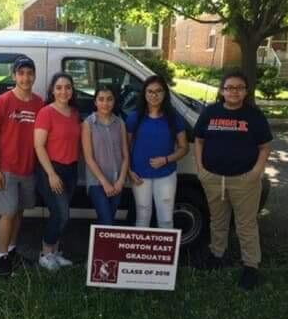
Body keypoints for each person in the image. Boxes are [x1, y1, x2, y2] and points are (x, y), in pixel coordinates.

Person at [193, 69, 273, 290]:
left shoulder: (254, 116)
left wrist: (256, 173)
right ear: (222, 91)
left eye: (239, 88)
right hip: (213, 178)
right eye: (229, 88)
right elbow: (198, 140)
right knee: (217, 220)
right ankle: (217, 255)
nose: (234, 92)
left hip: (244, 180)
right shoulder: (210, 112)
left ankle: (251, 266)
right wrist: (201, 168)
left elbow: (265, 147)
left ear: (246, 91)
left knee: (246, 224)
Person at [0, 57, 44, 276]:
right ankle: (1, 259)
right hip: (7, 169)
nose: (25, 78)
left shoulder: (39, 104)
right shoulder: (2, 101)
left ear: (34, 76)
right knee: (8, 213)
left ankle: (12, 251)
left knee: (19, 212)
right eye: (21, 73)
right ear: (14, 76)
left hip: (28, 169)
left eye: (29, 73)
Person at [125, 74, 189, 230]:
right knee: (142, 216)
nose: (154, 95)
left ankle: (166, 246)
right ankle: (142, 246)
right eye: (150, 91)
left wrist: (166, 159)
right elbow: (125, 148)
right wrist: (129, 171)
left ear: (165, 93)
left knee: (166, 219)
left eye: (158, 91)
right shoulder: (134, 117)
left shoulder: (174, 118)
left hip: (166, 175)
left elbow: (184, 148)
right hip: (139, 175)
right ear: (144, 93)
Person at [34, 73, 82, 271]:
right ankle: (45, 254)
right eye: (59, 87)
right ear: (52, 91)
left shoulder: (75, 113)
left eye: (68, 87)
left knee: (61, 213)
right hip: (51, 170)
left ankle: (54, 252)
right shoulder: (46, 113)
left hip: (71, 170)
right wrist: (52, 174)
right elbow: (39, 146)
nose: (64, 91)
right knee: (61, 214)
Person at [81, 84, 129, 224]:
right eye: (101, 99)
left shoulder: (120, 123)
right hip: (97, 182)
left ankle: (97, 239)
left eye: (109, 99)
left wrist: (121, 180)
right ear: (95, 102)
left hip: (117, 181)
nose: (105, 103)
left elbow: (125, 155)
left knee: (107, 222)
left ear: (114, 101)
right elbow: (88, 158)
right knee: (107, 221)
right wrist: (104, 183)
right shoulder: (88, 124)